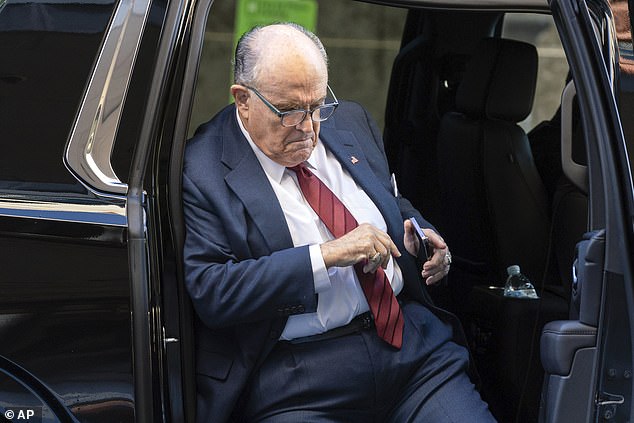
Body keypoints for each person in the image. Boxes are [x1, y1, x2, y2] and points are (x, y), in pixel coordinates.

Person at [183, 22, 496, 423]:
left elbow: (390, 200)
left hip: (413, 354)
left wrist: (420, 230)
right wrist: (326, 255)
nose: (309, 127)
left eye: (316, 107)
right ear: (243, 100)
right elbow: (213, 291)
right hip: (297, 378)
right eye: (290, 112)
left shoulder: (350, 121)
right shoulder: (203, 167)